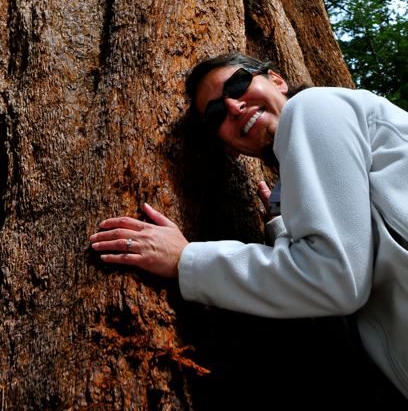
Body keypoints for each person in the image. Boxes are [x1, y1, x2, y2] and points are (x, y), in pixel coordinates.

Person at [90, 52, 408, 401]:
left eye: (238, 83)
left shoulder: (313, 106)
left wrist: (186, 259)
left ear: (278, 81)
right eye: (216, 114)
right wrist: (286, 226)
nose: (233, 106)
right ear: (229, 148)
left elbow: (335, 279)